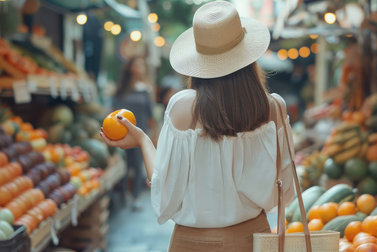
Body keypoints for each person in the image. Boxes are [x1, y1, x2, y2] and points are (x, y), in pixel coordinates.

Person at [101, 1, 295, 251]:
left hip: (191, 243)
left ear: (199, 60)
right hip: (253, 241)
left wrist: (142, 141)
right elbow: (285, 190)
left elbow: (164, 192)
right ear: (248, 57)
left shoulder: (183, 108)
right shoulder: (274, 108)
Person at [112, 55, 159, 211]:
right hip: (122, 132)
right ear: (130, 68)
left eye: (142, 65)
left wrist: (154, 132)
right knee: (125, 164)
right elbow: (114, 110)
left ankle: (136, 197)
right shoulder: (121, 88)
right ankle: (124, 193)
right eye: (137, 65)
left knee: (138, 166)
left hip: (141, 131)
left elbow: (150, 112)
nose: (141, 68)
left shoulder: (145, 89)